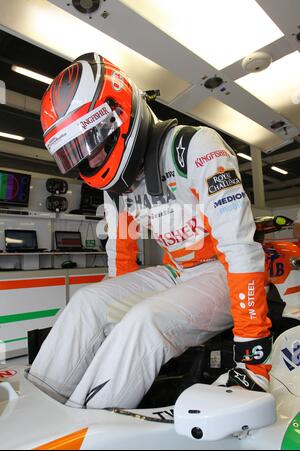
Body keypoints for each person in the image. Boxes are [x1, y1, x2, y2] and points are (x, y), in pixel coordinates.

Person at [28, 53, 272, 409]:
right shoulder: (115, 188)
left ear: (117, 115)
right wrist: (111, 320)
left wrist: (253, 356)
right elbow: (121, 262)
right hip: (177, 273)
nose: (88, 161)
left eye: (89, 143)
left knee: (144, 322)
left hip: (225, 271)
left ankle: (90, 428)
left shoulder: (195, 148)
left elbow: (240, 248)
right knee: (86, 304)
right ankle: (37, 410)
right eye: (75, 152)